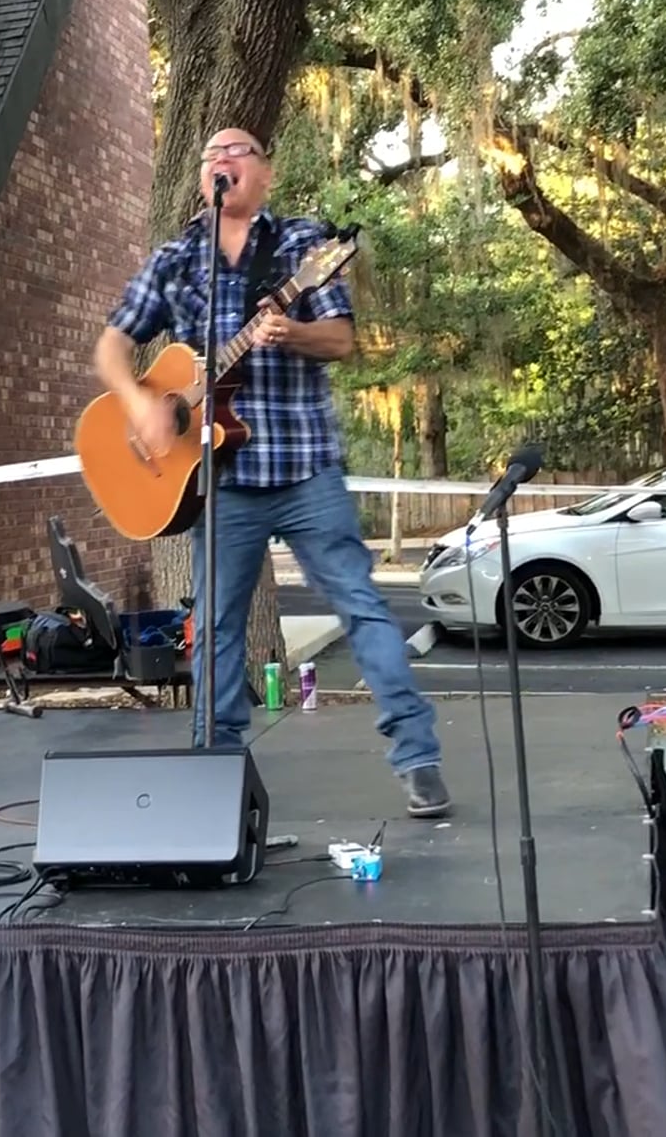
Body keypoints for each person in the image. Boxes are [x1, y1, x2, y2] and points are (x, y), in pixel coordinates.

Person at [94, 127, 451, 817]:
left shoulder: (303, 246)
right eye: (212, 155)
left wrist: (292, 333)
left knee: (362, 606)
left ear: (265, 173)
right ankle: (217, 771)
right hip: (219, 479)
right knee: (216, 627)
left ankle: (418, 757)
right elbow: (112, 347)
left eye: (238, 152)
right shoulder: (175, 259)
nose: (222, 161)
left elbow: (340, 340)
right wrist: (141, 404)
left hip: (303, 464)